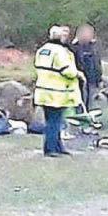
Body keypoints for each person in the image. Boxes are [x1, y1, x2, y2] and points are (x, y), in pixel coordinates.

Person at [33, 25, 83, 157]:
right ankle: (50, 149)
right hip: (56, 93)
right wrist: (78, 74)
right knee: (54, 121)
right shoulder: (60, 52)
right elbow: (67, 70)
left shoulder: (42, 50)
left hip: (43, 91)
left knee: (52, 120)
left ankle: (57, 146)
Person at [72, 24, 103, 111]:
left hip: (93, 81)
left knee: (92, 104)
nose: (90, 35)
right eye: (87, 33)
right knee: (80, 104)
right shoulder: (74, 48)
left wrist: (99, 78)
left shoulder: (94, 47)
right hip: (80, 83)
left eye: (91, 33)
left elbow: (97, 63)